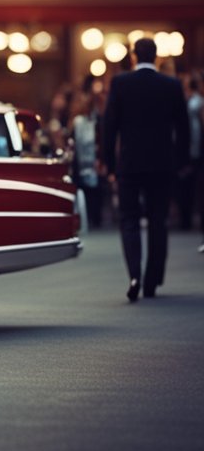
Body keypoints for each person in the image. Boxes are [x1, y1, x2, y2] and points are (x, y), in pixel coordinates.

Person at [100, 38, 191, 301]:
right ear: (157, 56)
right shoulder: (171, 85)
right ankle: (152, 280)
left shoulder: (120, 83)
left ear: (133, 56)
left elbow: (110, 126)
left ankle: (134, 275)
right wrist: (182, 161)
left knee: (129, 220)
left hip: (129, 163)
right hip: (162, 163)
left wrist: (109, 163)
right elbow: (182, 128)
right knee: (157, 221)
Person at [69, 87, 104, 231]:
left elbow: (101, 140)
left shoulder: (98, 122)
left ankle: (96, 218)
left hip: (94, 159)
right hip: (82, 160)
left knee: (96, 192)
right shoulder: (77, 122)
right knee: (84, 190)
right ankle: (87, 218)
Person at [176, 74, 201, 230]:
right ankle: (185, 218)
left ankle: (188, 217)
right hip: (187, 146)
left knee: (191, 185)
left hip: (194, 146)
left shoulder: (197, 101)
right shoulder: (186, 100)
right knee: (185, 185)